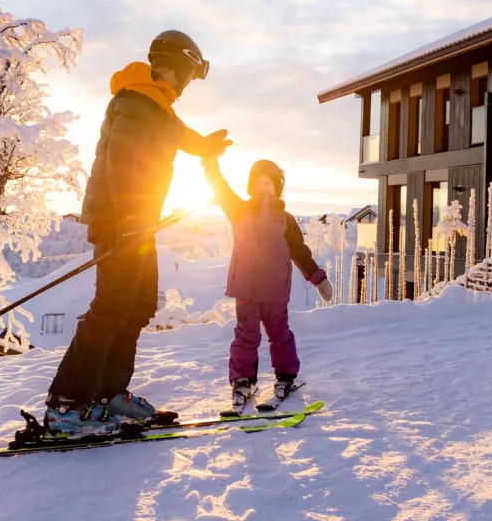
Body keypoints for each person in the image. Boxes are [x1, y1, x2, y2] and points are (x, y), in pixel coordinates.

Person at [44, 31, 231, 435]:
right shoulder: (134, 100)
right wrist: (128, 222)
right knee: (111, 307)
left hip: (138, 225)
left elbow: (180, 136)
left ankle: (109, 392)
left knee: (139, 304)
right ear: (178, 66)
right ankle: (66, 403)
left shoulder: (156, 106)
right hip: (121, 224)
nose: (186, 87)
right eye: (189, 76)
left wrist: (206, 146)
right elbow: (123, 165)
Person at [201, 157, 333, 407]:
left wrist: (318, 278)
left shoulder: (285, 219)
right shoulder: (239, 209)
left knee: (280, 335)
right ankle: (242, 381)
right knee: (245, 337)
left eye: (269, 182)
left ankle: (285, 377)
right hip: (246, 290)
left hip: (275, 290)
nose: (263, 185)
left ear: (277, 187)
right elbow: (221, 188)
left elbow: (300, 252)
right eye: (259, 182)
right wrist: (210, 163)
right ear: (252, 185)